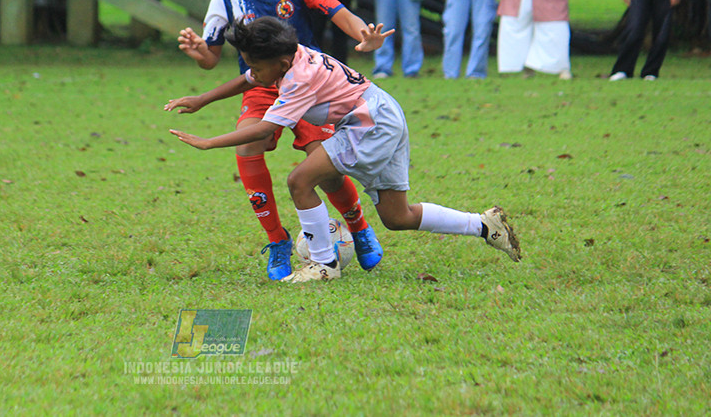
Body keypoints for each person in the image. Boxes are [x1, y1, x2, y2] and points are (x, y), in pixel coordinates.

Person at [166, 17, 521, 283]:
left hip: (370, 123)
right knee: (398, 217)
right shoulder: (293, 54)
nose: (254, 75)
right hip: (383, 111)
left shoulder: (297, 78)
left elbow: (267, 128)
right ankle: (484, 225)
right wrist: (203, 99)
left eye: (258, 67)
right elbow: (248, 80)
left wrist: (210, 142)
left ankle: (324, 264)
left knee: (299, 181)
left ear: (282, 64)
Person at [177, 0, 387, 281]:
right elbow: (211, 59)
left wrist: (363, 34)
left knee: (321, 164)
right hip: (258, 86)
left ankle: (358, 226)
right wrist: (199, 51)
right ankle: (277, 241)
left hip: (310, 85)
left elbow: (339, 13)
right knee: (247, 148)